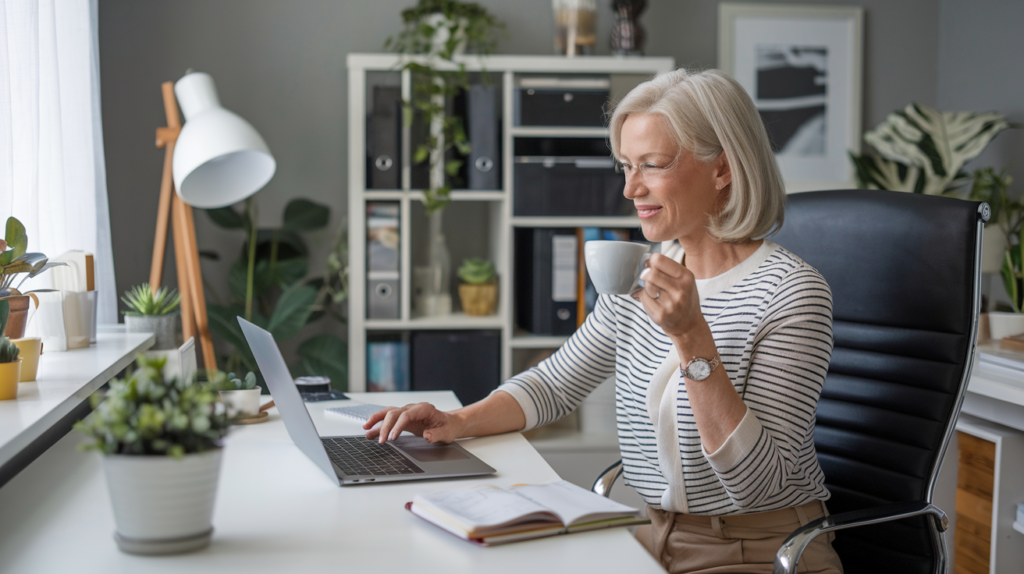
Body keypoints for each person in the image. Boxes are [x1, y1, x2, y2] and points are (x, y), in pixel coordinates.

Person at [364, 68, 843, 574]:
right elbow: (556, 384)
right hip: (648, 530)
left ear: (722, 169)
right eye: (626, 167)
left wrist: (691, 337)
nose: (631, 189)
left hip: (759, 547)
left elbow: (757, 486)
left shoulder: (791, 292)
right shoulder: (643, 273)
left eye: (652, 166)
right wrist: (459, 421)